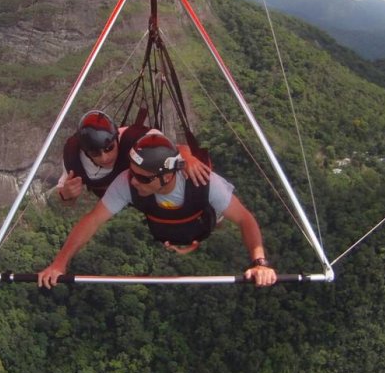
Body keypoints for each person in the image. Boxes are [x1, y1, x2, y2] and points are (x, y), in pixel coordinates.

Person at [40, 130, 278, 287]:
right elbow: (92, 221)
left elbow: (245, 219)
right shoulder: (127, 181)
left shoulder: (204, 183)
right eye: (133, 173)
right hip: (163, 225)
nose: (133, 181)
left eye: (143, 178)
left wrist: (260, 263)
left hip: (201, 218)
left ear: (166, 177)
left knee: (217, 216)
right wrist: (59, 263)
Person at [57, 110, 210, 202]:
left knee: (193, 175)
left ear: (116, 137)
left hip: (146, 192)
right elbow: (64, 198)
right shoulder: (73, 159)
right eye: (95, 153)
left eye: (109, 148)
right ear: (85, 151)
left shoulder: (136, 138)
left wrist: (187, 157)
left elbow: (174, 148)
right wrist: (66, 195)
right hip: (116, 197)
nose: (105, 158)